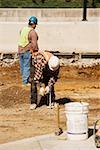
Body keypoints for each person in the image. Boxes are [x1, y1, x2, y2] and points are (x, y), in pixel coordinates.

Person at [18, 16, 39, 86]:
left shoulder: (23, 29)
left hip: (20, 50)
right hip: (27, 51)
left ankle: (24, 79)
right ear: (34, 24)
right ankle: (25, 82)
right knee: (27, 66)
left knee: (22, 66)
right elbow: (34, 44)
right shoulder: (33, 32)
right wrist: (36, 51)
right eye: (35, 24)